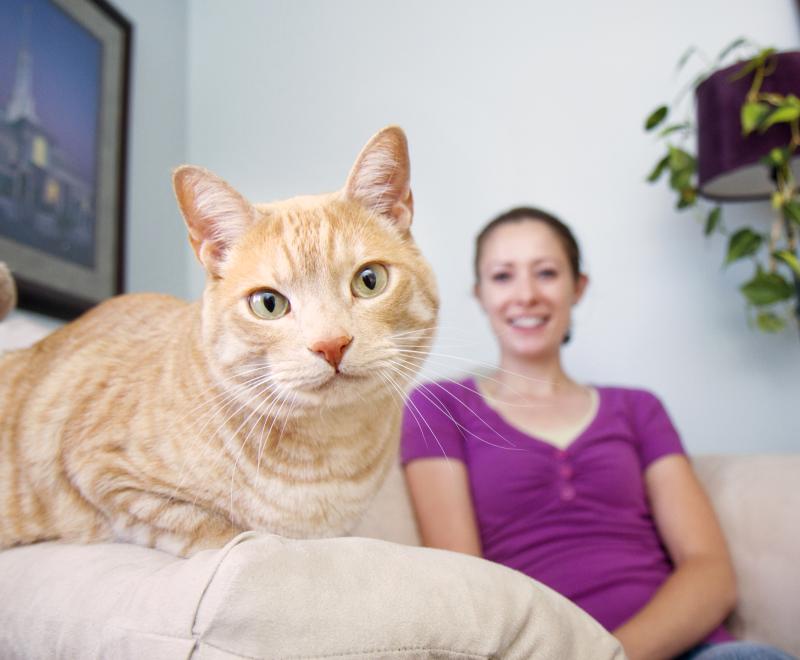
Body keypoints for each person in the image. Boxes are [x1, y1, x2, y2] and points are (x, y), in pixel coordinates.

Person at [401, 207, 794, 660]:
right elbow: (465, 580)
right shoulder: (440, 407)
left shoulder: (637, 408)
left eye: (546, 273)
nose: (525, 295)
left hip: (690, 651)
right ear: (481, 294)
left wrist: (611, 656)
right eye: (503, 276)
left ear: (577, 287)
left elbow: (710, 572)